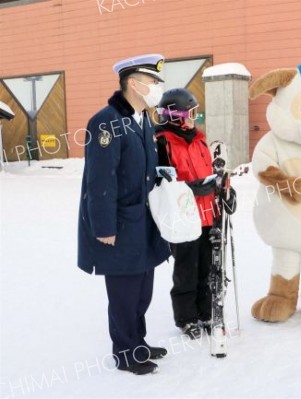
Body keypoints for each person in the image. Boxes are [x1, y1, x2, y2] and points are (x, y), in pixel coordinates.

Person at [77, 54, 171, 375]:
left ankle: (138, 342)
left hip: (144, 220)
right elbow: (100, 179)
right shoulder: (106, 122)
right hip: (118, 223)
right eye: (153, 81)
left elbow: (144, 168)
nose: (158, 87)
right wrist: (103, 227)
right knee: (124, 293)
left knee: (143, 289)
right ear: (133, 83)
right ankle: (125, 352)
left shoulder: (144, 118)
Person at [155, 88, 236, 339]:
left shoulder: (200, 140)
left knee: (208, 270)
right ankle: (186, 318)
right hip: (183, 217)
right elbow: (160, 182)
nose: (194, 118)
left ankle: (205, 313)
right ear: (174, 116)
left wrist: (226, 190)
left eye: (195, 113)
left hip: (209, 214)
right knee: (186, 272)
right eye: (190, 113)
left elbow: (213, 171)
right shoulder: (162, 141)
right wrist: (190, 188)